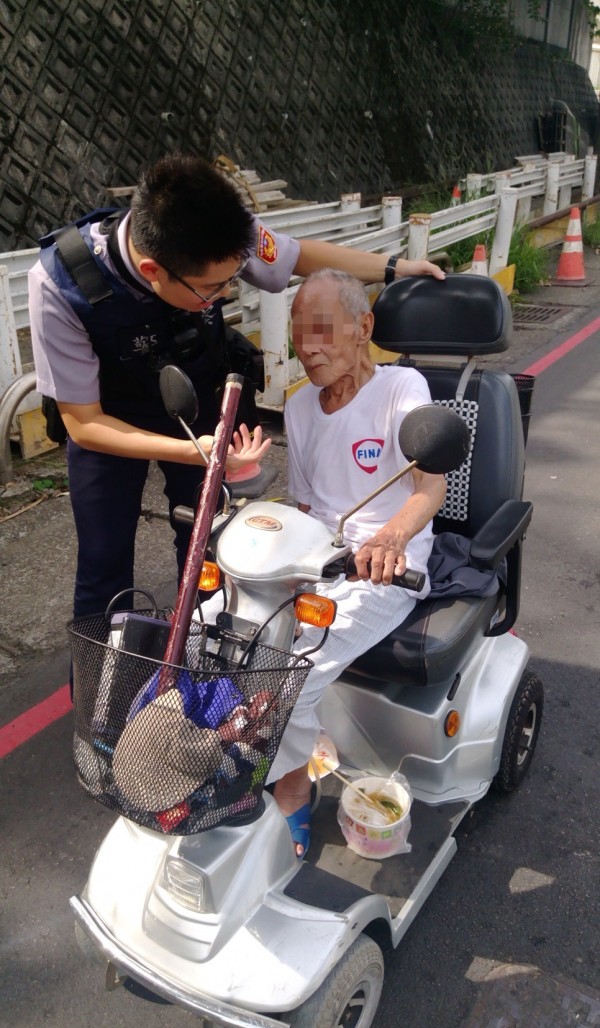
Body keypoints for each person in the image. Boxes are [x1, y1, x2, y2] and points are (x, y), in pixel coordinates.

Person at [29, 153, 444, 620]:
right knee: (102, 568)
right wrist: (195, 451)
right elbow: (83, 423)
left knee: (210, 547)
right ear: (153, 273)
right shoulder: (60, 282)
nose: (227, 292)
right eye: (214, 288)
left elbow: (295, 256)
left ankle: (207, 664)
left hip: (199, 399)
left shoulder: (223, 226)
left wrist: (395, 267)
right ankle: (97, 690)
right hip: (108, 420)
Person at [268, 269, 448, 857]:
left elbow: (430, 488)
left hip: (385, 568)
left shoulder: (402, 388)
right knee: (216, 628)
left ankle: (293, 794)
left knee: (295, 672)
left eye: (322, 332)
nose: (308, 349)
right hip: (314, 557)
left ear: (364, 327)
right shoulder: (297, 408)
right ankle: (250, 753)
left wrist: (392, 538)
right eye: (299, 335)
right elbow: (303, 505)